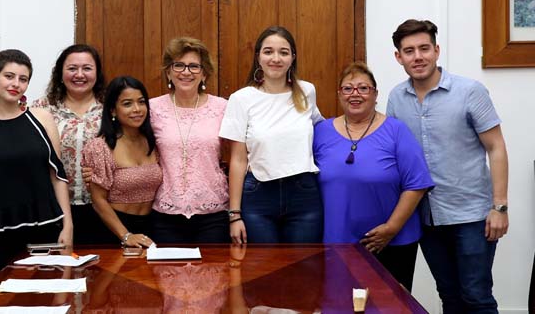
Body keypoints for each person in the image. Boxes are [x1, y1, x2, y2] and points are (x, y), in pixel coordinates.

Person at [387, 19, 509, 312]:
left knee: (476, 297)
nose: (418, 57)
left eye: (424, 48)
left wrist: (500, 207)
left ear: (437, 50)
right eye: (409, 51)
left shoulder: (469, 91)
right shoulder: (396, 98)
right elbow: (395, 155)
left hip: (472, 216)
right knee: (449, 296)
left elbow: (496, 147)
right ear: (399, 57)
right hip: (427, 218)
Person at [313, 61, 434, 291]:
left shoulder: (396, 130)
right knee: (339, 304)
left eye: (363, 88)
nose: (355, 94)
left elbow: (417, 184)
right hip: (336, 243)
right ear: (339, 94)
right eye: (348, 88)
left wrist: (391, 228)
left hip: (391, 242)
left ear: (375, 94)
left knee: (389, 304)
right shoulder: (321, 132)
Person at [0, 49, 73, 279]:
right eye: (9, 76)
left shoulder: (42, 118)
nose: (16, 84)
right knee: (1, 297)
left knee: (49, 295)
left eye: (23, 79)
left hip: (47, 228)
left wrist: (68, 225)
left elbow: (58, 175)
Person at [219, 25, 324, 244]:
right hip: (258, 195)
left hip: (303, 194)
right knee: (263, 265)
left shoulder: (307, 91)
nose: (276, 58)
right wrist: (234, 214)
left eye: (283, 52)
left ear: (293, 58)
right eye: (268, 52)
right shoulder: (241, 99)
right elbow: (238, 160)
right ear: (258, 57)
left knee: (305, 264)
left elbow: (323, 130)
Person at [149, 37, 229, 243]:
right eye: (179, 65)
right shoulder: (152, 108)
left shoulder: (223, 107)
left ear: (204, 73)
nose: (186, 72)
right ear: (168, 72)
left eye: (194, 66)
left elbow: (241, 153)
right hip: (166, 213)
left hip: (213, 213)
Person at [32, 44, 107, 245]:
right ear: (60, 73)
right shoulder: (42, 109)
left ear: (97, 73)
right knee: (57, 263)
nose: (79, 75)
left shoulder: (111, 107)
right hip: (53, 209)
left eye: (87, 68)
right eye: (72, 68)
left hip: (103, 208)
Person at [83, 76, 161, 248]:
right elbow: (98, 200)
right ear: (113, 110)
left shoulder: (153, 142)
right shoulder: (100, 147)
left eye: (141, 102)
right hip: (113, 229)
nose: (137, 109)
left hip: (151, 226)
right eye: (127, 104)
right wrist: (126, 236)